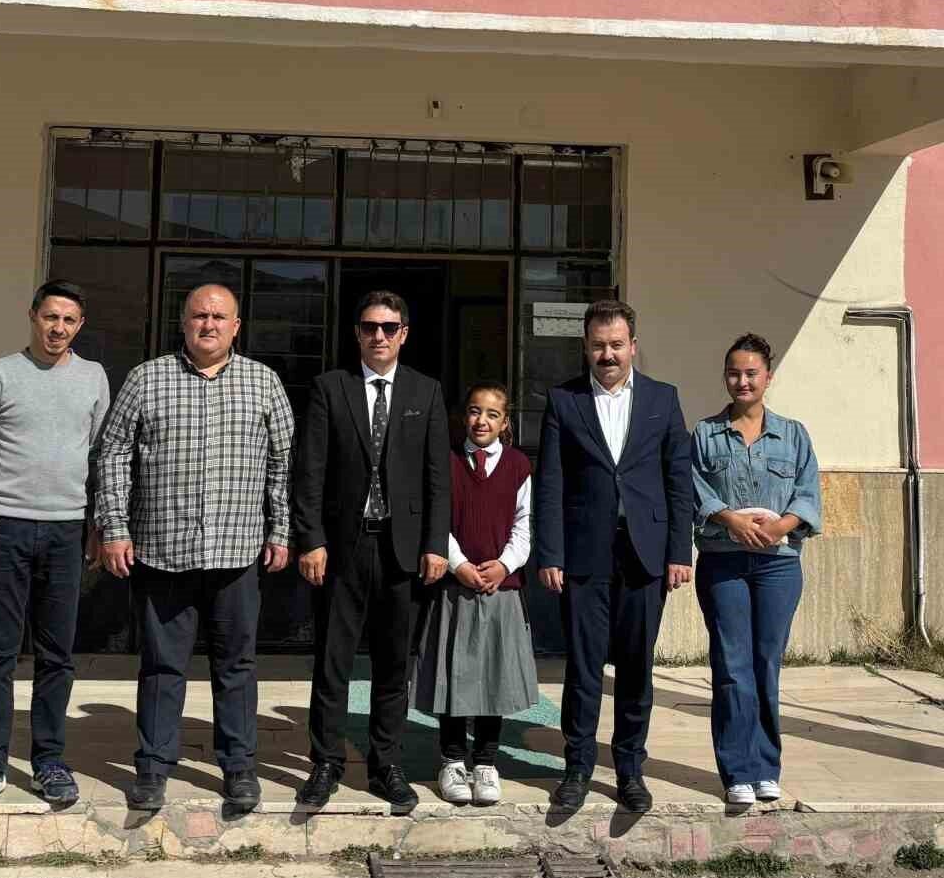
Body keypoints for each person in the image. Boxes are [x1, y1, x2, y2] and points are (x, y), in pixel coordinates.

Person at [93, 283, 294, 814]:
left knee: (236, 666)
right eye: (199, 316)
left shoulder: (264, 382)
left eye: (219, 317)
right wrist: (114, 527)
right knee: (162, 666)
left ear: (236, 326)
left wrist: (280, 531)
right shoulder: (146, 379)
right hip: (163, 550)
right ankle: (153, 768)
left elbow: (282, 464)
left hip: (236, 552)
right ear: (183, 323)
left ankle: (239, 768)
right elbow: (113, 455)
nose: (209, 324)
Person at [0, 281, 110, 810]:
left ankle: (49, 762)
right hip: (4, 528)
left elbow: (98, 456)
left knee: (57, 655)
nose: (58, 328)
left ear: (80, 325)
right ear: (33, 316)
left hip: (66, 531)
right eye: (50, 317)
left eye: (68, 320)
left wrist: (97, 525)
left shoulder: (93, 377)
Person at [293, 290, 451, 813]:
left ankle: (386, 765)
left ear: (404, 333)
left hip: (403, 550)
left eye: (388, 327)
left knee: (392, 664)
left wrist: (435, 544)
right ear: (357, 333)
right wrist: (311, 539)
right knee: (332, 661)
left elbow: (437, 478)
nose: (378, 336)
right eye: (368, 327)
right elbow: (310, 472)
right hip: (343, 546)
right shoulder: (330, 388)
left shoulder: (426, 391)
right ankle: (325, 763)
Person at [535, 299, 693, 815]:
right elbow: (551, 482)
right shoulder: (564, 400)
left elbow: (678, 480)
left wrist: (679, 550)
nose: (608, 354)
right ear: (586, 347)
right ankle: (577, 768)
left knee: (635, 668)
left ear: (633, 347)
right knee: (583, 669)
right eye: (599, 345)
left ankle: (630, 769)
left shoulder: (663, 399)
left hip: (645, 556)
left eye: (617, 345)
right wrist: (550, 552)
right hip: (584, 556)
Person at [691, 333, 822, 807]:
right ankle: (737, 772)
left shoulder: (794, 435)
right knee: (731, 666)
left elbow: (807, 492)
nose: (742, 381)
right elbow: (694, 489)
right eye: (734, 373)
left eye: (751, 373)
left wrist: (780, 526)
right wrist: (731, 520)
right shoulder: (704, 434)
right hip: (723, 563)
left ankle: (766, 767)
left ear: (768, 377)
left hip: (778, 568)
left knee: (766, 665)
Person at [412, 382, 538, 807]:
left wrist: (504, 564)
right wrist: (459, 565)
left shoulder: (518, 465)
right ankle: (451, 760)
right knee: (453, 676)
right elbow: (437, 519)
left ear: (505, 423)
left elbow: (524, 524)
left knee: (492, 677)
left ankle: (485, 761)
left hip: (500, 587)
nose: (481, 421)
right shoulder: (446, 461)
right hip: (455, 586)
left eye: (492, 414)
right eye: (474, 411)